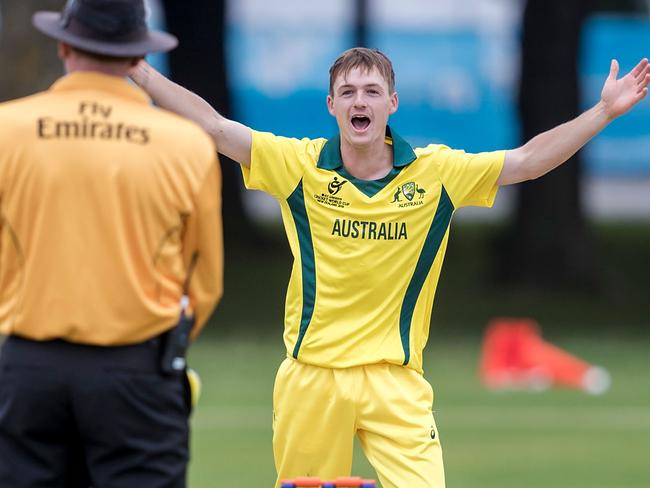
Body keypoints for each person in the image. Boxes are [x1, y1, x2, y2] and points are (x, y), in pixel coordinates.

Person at [131, 47, 649, 487]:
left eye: (373, 91)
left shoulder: (436, 173)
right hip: (313, 378)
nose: (361, 100)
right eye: (350, 91)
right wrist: (141, 70)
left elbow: (527, 160)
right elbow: (216, 127)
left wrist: (602, 112)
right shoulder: (299, 166)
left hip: (395, 382)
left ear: (392, 103)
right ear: (332, 105)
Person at [0, 1, 223, 487]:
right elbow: (202, 278)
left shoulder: (7, 129)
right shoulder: (185, 145)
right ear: (135, 58)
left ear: (63, 45)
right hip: (138, 368)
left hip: (27, 367)